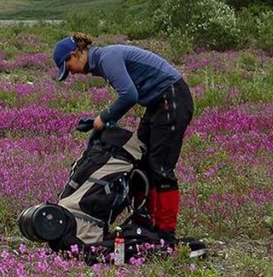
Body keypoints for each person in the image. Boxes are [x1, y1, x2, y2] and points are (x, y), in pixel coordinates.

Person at [52, 33, 193, 239]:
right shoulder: (104, 60)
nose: (71, 73)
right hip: (158, 103)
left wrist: (104, 117)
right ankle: (145, 221)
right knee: (140, 160)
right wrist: (97, 121)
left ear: (75, 54)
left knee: (160, 167)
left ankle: (165, 230)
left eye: (68, 67)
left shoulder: (107, 58)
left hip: (172, 99)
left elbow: (129, 95)